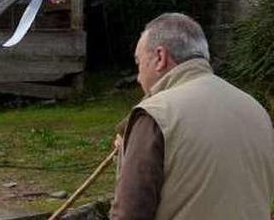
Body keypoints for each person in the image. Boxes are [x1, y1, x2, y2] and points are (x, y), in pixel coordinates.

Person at [110, 13, 274, 220]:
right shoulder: (255, 109)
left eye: (139, 62)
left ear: (160, 57)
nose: (139, 77)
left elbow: (129, 212)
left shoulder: (156, 113)